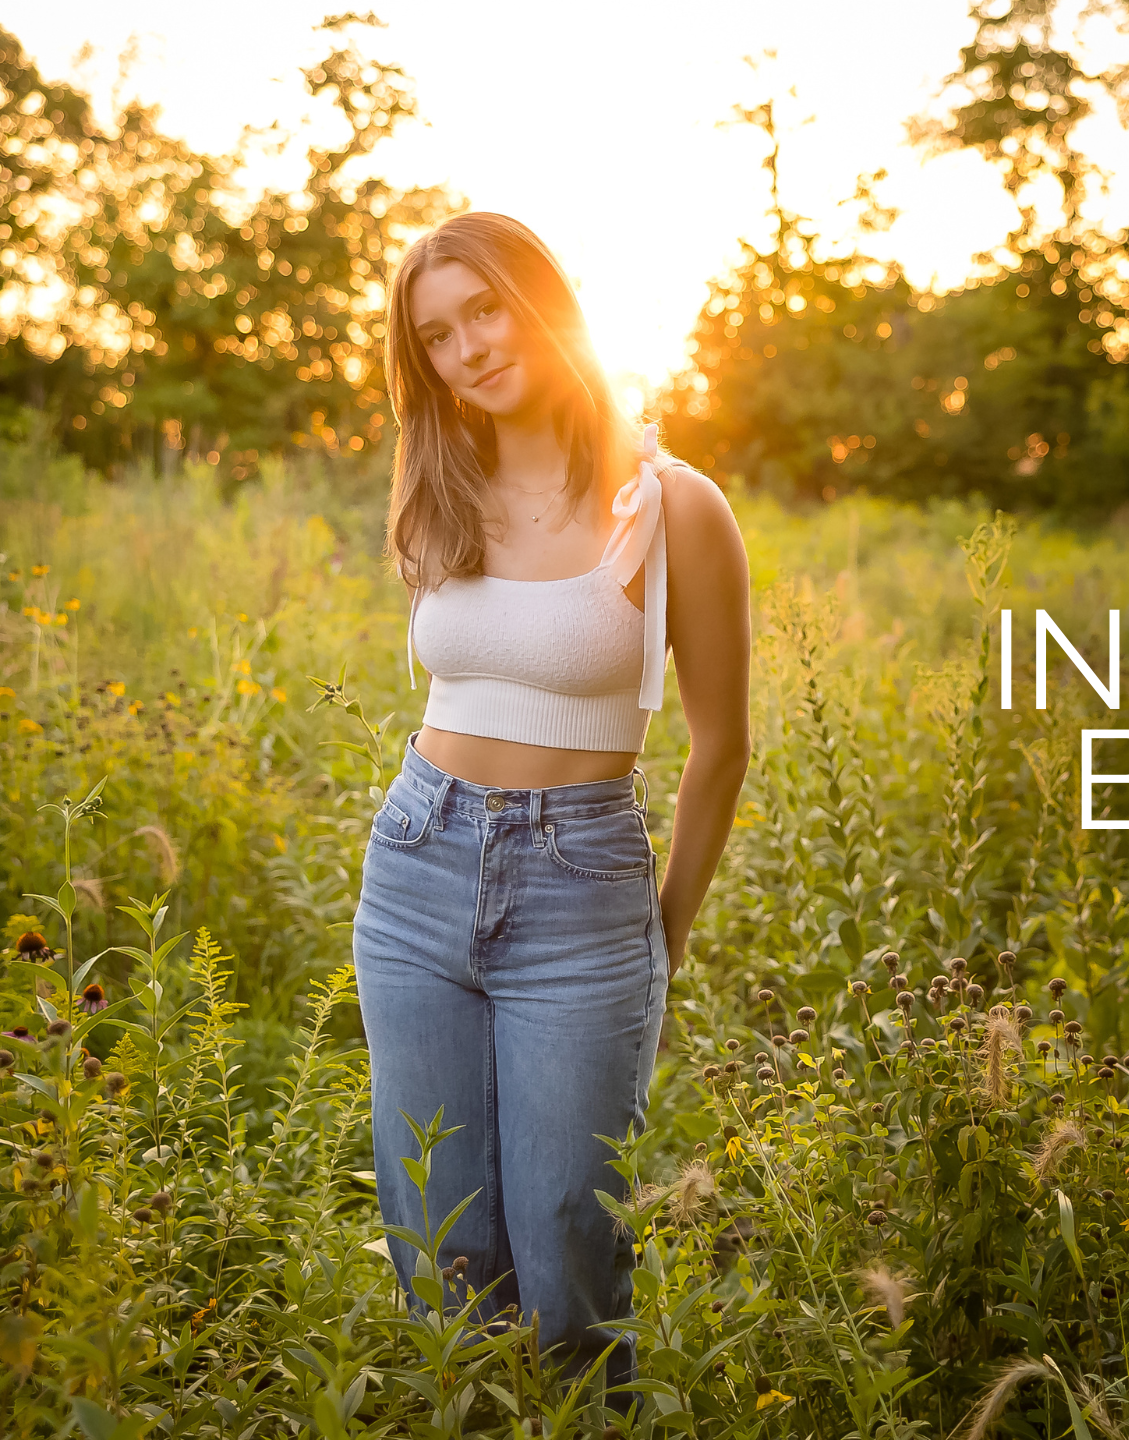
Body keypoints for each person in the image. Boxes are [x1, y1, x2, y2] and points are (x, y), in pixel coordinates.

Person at [352, 210, 751, 1389]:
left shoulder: (676, 509)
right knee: (439, 1244)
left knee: (569, 1248)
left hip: (582, 889)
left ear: (543, 303)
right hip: (419, 857)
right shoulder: (437, 492)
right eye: (436, 334)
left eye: (486, 309)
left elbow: (720, 746)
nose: (469, 346)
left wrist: (657, 938)